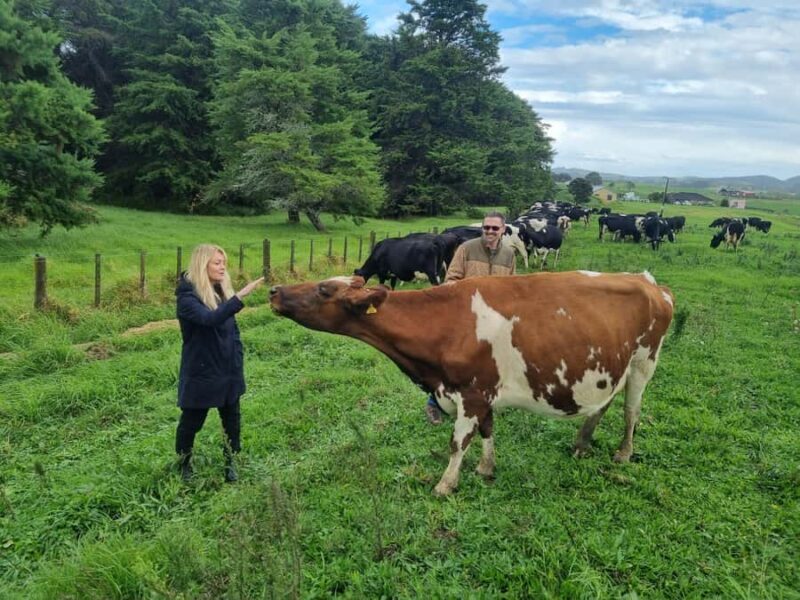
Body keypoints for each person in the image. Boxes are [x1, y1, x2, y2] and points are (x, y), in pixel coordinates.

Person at [175, 244, 264, 482]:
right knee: (192, 421)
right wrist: (239, 296)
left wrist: (236, 355)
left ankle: (230, 462)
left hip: (228, 367)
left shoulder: (220, 292)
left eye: (224, 263)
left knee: (232, 420)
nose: (223, 267)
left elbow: (231, 329)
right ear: (202, 265)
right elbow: (210, 319)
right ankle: (183, 464)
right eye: (217, 263)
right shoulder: (187, 297)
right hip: (202, 370)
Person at [424, 211, 517, 425]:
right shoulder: (466, 248)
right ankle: (433, 403)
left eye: (495, 228)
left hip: (494, 319)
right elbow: (451, 280)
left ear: (503, 230)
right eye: (486, 227)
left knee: (488, 363)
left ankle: (480, 400)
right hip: (465, 317)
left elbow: (512, 287)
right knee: (453, 363)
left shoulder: (509, 255)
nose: (490, 231)